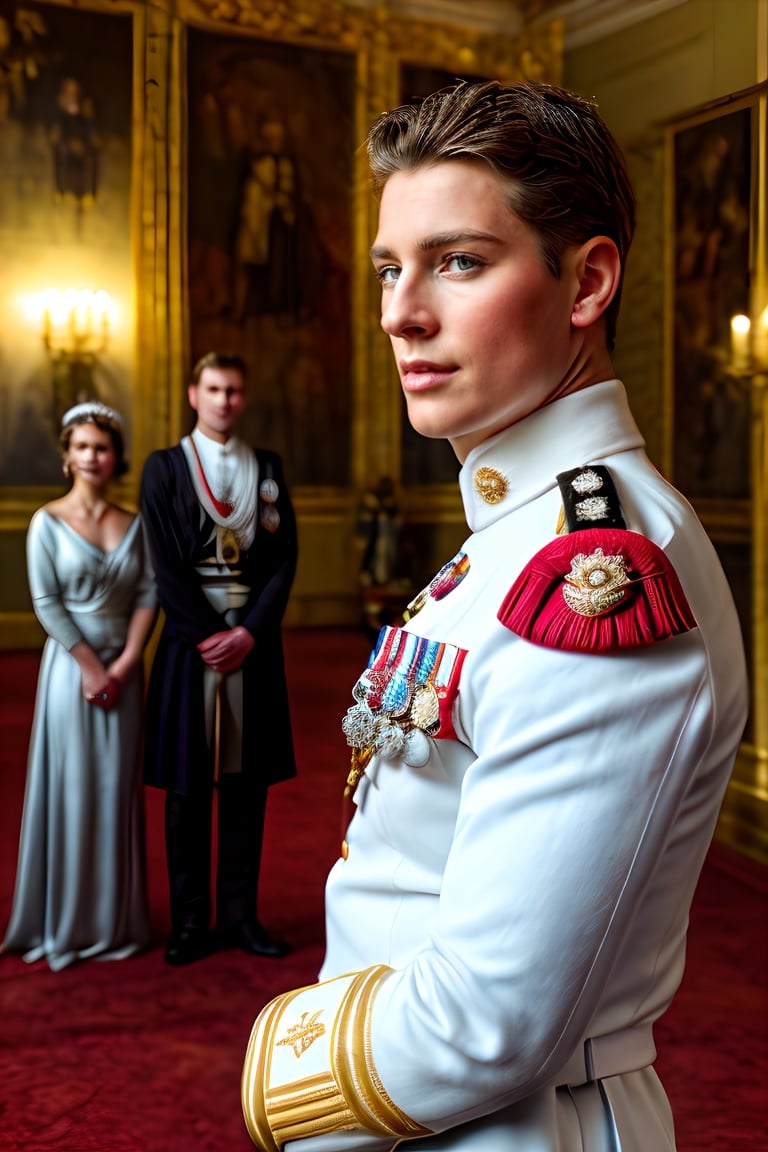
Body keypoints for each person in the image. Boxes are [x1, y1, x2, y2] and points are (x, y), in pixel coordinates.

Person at [241, 81, 748, 1150]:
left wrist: (276, 1074)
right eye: (391, 267)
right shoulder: (514, 530)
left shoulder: (599, 573)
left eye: (459, 261)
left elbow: (489, 1020)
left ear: (587, 282)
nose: (399, 311)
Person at [140, 351, 297, 966]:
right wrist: (210, 634)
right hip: (190, 644)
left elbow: (284, 559)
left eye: (234, 390)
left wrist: (251, 633)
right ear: (193, 394)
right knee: (186, 788)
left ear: (243, 396)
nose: (224, 399)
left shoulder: (268, 467)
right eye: (214, 389)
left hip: (251, 649)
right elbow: (164, 563)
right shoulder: (165, 468)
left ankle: (239, 916)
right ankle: (188, 922)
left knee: (245, 787)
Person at [2, 402, 157, 972]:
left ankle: (113, 919)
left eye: (102, 447)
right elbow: (46, 602)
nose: (93, 457)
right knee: (69, 786)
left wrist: (127, 662)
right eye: (83, 447)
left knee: (115, 789)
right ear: (67, 456)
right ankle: (63, 921)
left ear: (115, 457)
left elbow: (147, 594)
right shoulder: (46, 521)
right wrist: (92, 667)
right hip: (71, 670)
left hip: (125, 670)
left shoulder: (134, 522)